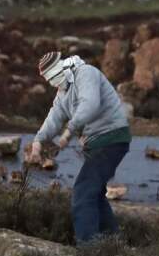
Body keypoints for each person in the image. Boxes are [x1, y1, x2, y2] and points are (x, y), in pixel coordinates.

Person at [24, 51, 131, 245]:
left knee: (82, 193)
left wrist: (68, 133)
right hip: (95, 144)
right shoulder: (62, 92)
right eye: (49, 81)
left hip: (111, 138)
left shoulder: (86, 73)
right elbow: (54, 117)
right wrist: (38, 142)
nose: (52, 83)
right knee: (96, 193)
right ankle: (114, 244)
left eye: (53, 78)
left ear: (61, 68)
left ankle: (87, 249)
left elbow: (89, 105)